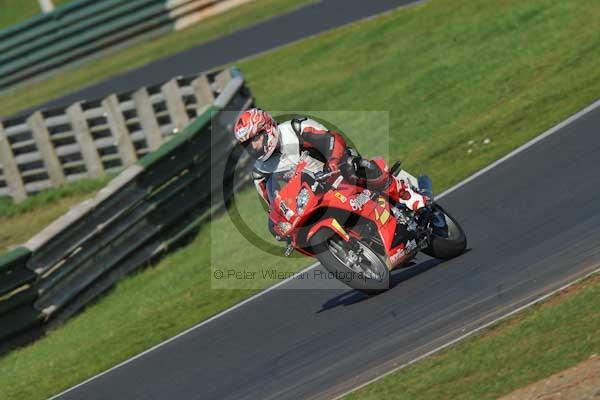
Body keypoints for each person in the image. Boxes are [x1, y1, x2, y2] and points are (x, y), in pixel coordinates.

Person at [233, 108, 428, 215]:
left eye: (255, 139)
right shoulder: (260, 173)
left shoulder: (295, 128)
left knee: (354, 167)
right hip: (311, 198)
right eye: (248, 144)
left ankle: (406, 193)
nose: (254, 146)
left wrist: (334, 162)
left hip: (336, 170)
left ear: (267, 128)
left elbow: (331, 139)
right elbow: (273, 206)